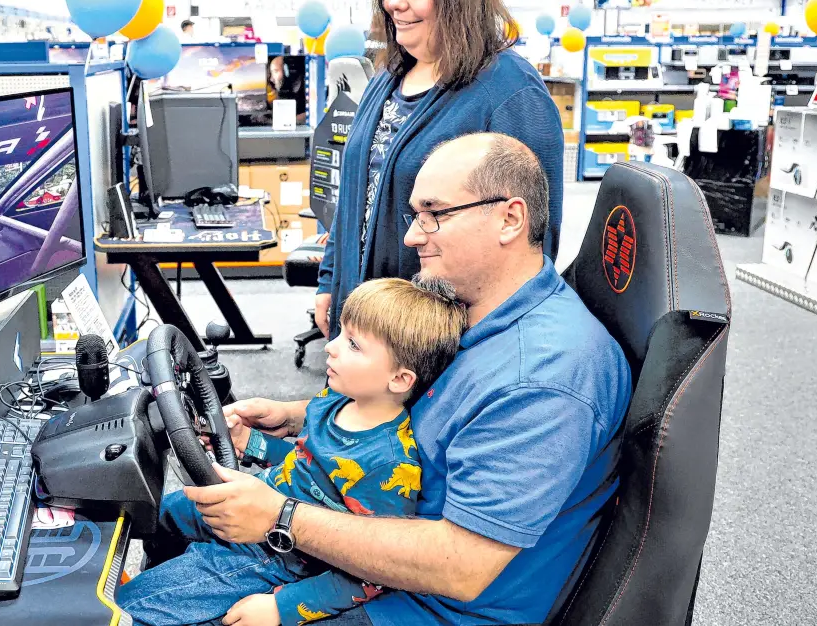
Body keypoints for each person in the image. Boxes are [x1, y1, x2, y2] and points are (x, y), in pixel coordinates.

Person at [185, 134, 631, 626]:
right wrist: (292, 419)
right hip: (374, 548)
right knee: (180, 523)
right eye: (415, 216)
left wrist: (280, 516)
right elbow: (414, 415)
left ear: (509, 219)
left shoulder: (545, 376)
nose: (413, 237)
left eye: (434, 214)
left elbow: (461, 564)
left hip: (423, 606)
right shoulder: (472, 312)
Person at [118, 277, 467, 626]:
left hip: (279, 555)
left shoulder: (389, 463)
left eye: (354, 345)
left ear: (399, 380)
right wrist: (247, 441)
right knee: (158, 512)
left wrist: (282, 608)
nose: (331, 347)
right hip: (264, 498)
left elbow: (374, 572)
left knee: (137, 606)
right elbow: (304, 460)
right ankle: (161, 565)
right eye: (341, 334)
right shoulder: (337, 399)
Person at [314, 0, 564, 340]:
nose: (395, 3)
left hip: (437, 335)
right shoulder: (387, 78)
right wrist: (330, 282)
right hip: (367, 317)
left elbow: (532, 241)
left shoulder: (511, 93)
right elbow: (356, 192)